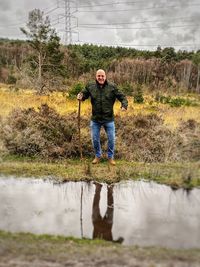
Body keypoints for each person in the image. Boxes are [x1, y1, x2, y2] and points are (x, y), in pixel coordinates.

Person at [77, 69, 128, 165]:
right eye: (98, 76)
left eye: (102, 76)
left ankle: (110, 157)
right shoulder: (90, 86)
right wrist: (80, 96)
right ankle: (98, 156)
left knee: (111, 139)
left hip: (109, 119)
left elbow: (122, 97)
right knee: (95, 139)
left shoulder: (112, 87)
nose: (100, 78)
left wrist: (124, 105)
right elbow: (84, 94)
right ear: (96, 77)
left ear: (105, 76)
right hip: (95, 119)